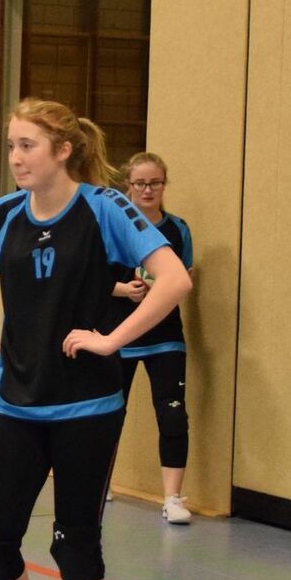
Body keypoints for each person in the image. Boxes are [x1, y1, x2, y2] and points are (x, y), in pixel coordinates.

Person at [0, 99, 191, 580]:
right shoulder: (4, 214)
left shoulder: (105, 208)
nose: (15, 159)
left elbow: (173, 280)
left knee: (75, 544)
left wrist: (113, 341)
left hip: (87, 408)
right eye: (10, 146)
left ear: (62, 150)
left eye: (27, 145)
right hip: (16, 404)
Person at [102, 153, 194, 523]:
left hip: (165, 337)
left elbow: (184, 277)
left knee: (173, 415)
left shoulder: (177, 229)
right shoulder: (110, 227)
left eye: (155, 183)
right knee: (109, 414)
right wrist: (124, 290)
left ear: (164, 185)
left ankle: (172, 498)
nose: (147, 190)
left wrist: (160, 291)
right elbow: (91, 278)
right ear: (128, 185)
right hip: (119, 336)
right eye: (140, 183)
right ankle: (98, 482)